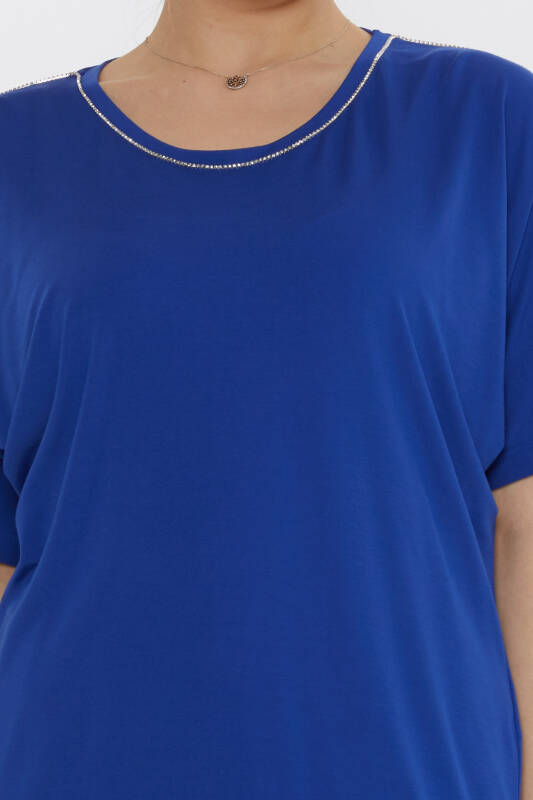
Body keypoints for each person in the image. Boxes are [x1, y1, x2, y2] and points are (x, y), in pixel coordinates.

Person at [0, 0, 532, 797]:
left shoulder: (489, 119)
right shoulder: (17, 149)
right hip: (71, 758)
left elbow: (525, 521)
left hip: (408, 765)